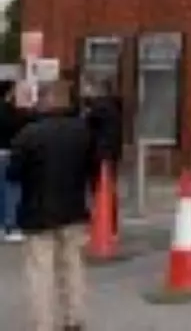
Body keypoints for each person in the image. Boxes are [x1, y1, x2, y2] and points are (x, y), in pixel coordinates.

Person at [8, 78, 94, 331]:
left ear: (45, 100)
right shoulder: (83, 132)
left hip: (37, 211)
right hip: (74, 209)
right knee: (73, 265)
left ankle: (43, 323)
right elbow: (92, 167)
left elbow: (13, 173)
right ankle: (74, 318)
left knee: (40, 271)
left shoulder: (29, 134)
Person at [83, 75, 123, 238]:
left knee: (99, 189)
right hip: (111, 154)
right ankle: (110, 224)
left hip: (99, 154)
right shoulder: (114, 107)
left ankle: (103, 223)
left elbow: (87, 128)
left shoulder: (99, 109)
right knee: (108, 189)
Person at [0, 79, 38, 241]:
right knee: (12, 191)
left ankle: (3, 226)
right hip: (8, 153)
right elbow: (19, 127)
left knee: (3, 192)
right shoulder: (8, 111)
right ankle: (11, 226)